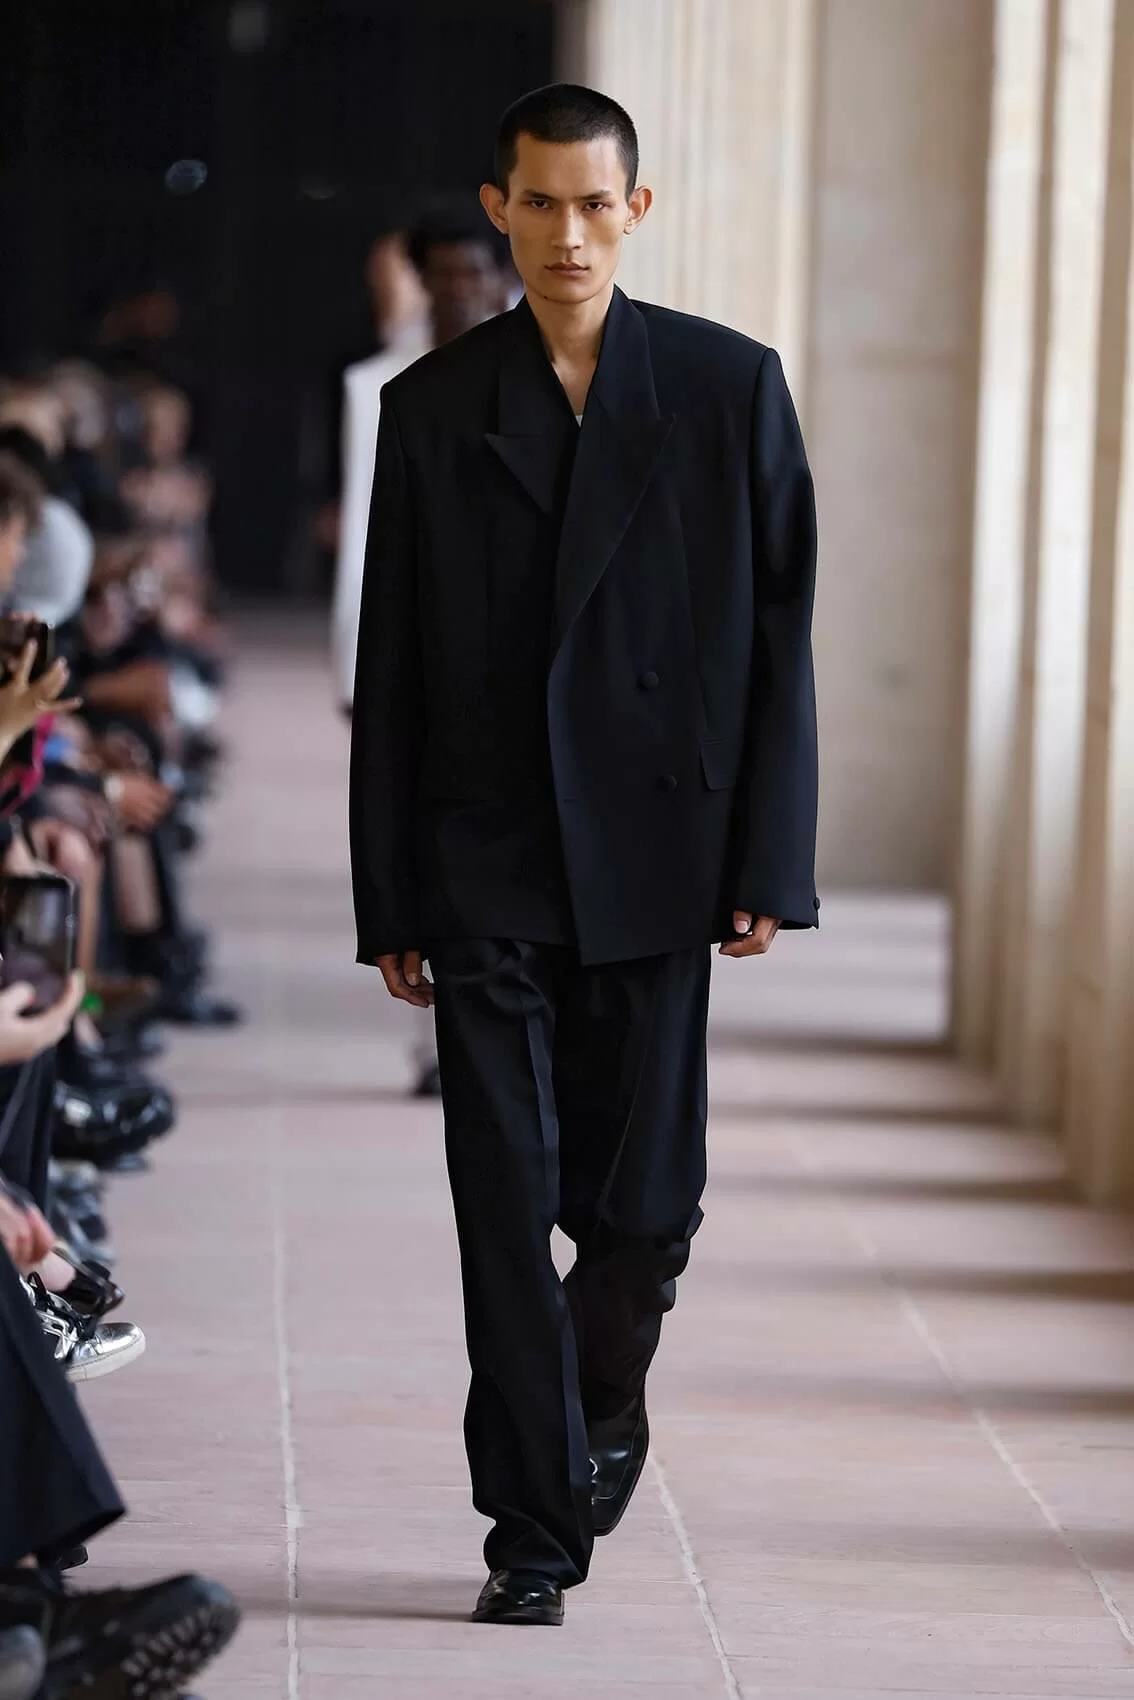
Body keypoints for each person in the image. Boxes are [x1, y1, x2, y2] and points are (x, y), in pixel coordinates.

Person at [349, 83, 819, 1626]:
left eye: (593, 203)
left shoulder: (726, 386)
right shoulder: (433, 408)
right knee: (501, 1206)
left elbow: (779, 637)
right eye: (538, 203)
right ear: (498, 209)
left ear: (637, 210)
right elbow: (395, 666)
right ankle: (530, 1532)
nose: (566, 233)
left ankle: (600, 1400)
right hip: (482, 856)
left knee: (644, 1216)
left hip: (659, 854)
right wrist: (389, 894)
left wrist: (769, 855)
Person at [330, 200, 509, 714]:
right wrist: (353, 662)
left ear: (495, 278)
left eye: (471, 273)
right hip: (412, 608)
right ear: (422, 280)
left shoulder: (538, 378)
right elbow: (361, 527)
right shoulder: (372, 388)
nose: (458, 289)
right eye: (444, 274)